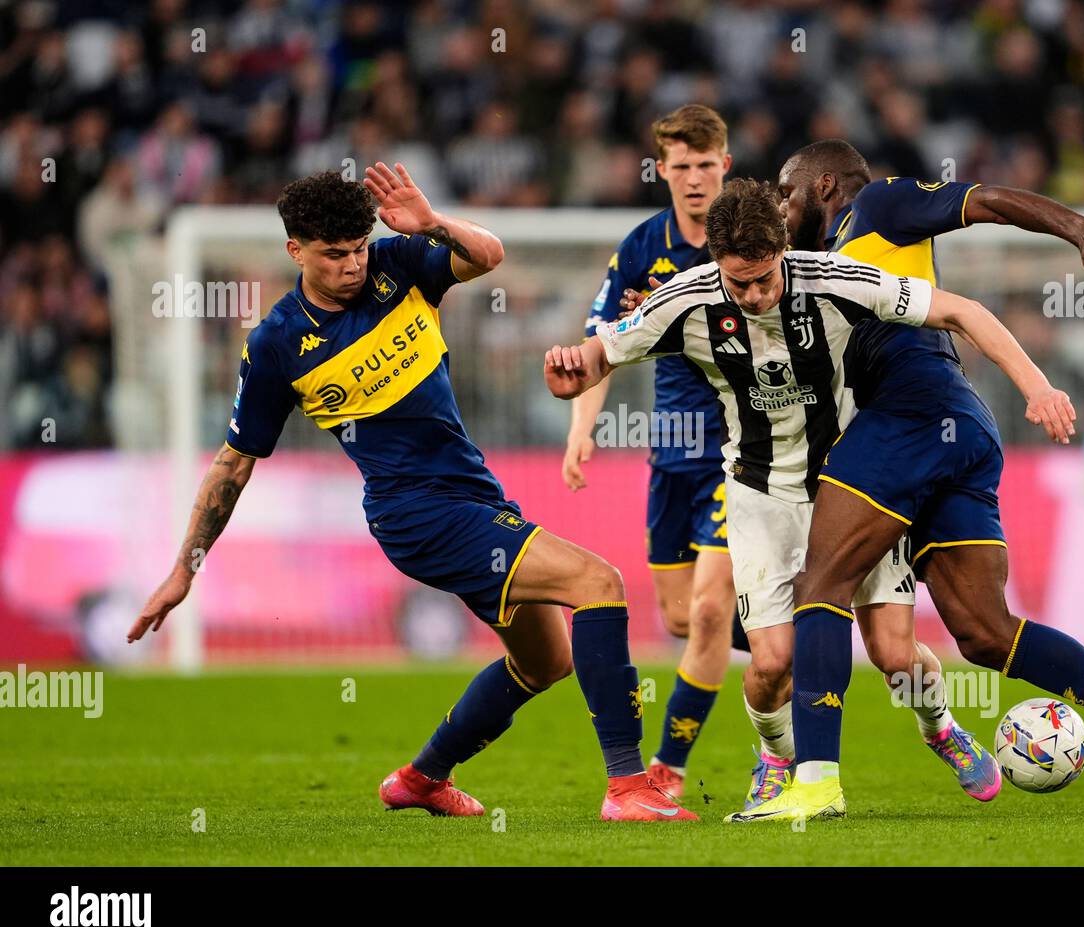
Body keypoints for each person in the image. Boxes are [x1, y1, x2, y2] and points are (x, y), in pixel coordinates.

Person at [127, 164, 695, 823]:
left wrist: (430, 224)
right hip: (416, 514)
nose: (351, 265)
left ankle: (423, 778)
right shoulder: (279, 344)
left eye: (358, 248)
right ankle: (628, 787)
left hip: (473, 493)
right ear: (296, 252)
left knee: (546, 661)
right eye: (335, 254)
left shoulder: (398, 265)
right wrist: (182, 569)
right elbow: (233, 465)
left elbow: (488, 255)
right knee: (600, 582)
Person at [546, 178, 1078, 819]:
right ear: (716, 264)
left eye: (765, 279)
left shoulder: (832, 279)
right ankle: (776, 759)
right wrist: (569, 369)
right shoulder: (681, 302)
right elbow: (596, 355)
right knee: (771, 663)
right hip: (758, 497)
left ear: (783, 254)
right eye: (738, 284)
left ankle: (940, 729)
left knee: (893, 654)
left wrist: (1036, 386)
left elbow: (963, 312)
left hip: (853, 490)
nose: (753, 295)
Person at [719, 183, 1084, 822]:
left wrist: (1076, 230)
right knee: (985, 632)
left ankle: (816, 783)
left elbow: (985, 206)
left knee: (821, 583)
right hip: (961, 427)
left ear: (822, 186)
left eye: (790, 191)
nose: (782, 206)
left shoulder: (875, 208)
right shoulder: (800, 273)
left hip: (909, 414)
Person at [562, 105, 748, 801]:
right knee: (678, 619)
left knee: (706, 613)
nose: (695, 178)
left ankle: (667, 768)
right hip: (672, 453)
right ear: (661, 169)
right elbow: (597, 348)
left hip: (745, 452)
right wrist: (582, 427)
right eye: (682, 166)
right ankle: (792, 649)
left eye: (707, 165)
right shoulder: (643, 247)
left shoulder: (755, 238)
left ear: (725, 165)